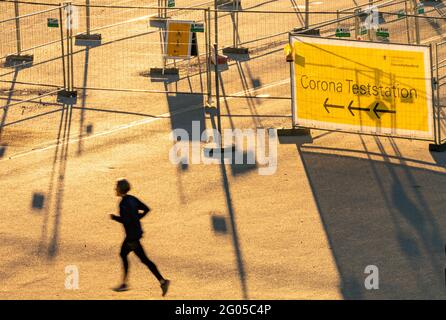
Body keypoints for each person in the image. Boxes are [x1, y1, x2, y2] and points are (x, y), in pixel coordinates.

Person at [110, 178, 170, 296]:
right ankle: (162, 281)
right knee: (137, 258)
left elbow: (126, 221)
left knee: (137, 258)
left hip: (132, 237)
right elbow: (146, 209)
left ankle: (125, 284)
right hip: (136, 234)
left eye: (116, 187)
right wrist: (138, 218)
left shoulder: (122, 204)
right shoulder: (132, 199)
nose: (115, 189)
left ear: (120, 189)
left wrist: (114, 218)